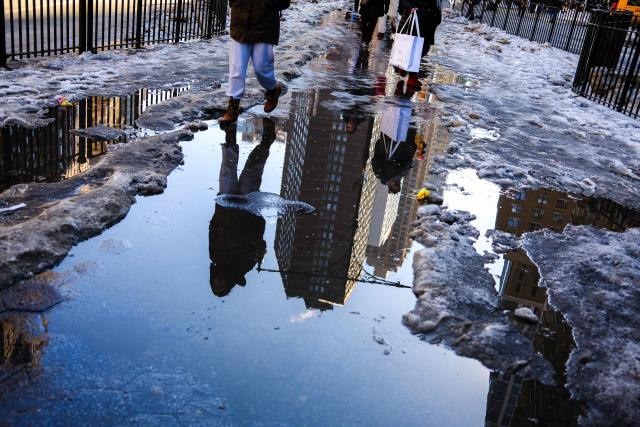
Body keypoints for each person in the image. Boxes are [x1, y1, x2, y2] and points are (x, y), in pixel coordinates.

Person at [209, 119, 277, 297]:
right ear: (228, 285)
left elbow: (212, 230)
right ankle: (267, 140)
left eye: (215, 284)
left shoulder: (214, 258)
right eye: (221, 286)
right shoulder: (243, 267)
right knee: (251, 171)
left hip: (225, 205)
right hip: (247, 210)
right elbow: (259, 245)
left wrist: (217, 213)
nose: (219, 282)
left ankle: (230, 132)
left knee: (227, 169)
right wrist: (254, 221)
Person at [220, 1, 291, 125]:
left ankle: (273, 90)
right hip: (240, 22)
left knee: (262, 68)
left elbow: (284, 2)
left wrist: (265, 4)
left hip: (264, 25)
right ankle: (233, 106)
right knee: (237, 68)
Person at [397, 0, 442, 84]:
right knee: (415, 48)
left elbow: (438, 4)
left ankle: (405, 66)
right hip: (416, 18)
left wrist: (438, 16)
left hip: (430, 20)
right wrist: (411, 7)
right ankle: (412, 77)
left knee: (425, 48)